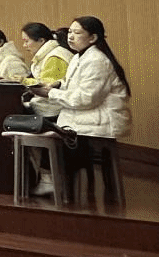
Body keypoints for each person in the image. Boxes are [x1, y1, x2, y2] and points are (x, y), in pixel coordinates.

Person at [29, 16, 131, 198]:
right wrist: (57, 85)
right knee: (52, 130)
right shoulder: (79, 57)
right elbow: (75, 85)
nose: (70, 36)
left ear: (93, 38)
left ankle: (53, 183)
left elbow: (86, 98)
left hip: (100, 121)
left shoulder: (97, 60)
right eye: (69, 32)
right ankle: (53, 182)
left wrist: (50, 93)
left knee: (56, 137)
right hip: (87, 116)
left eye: (77, 33)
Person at [21, 22, 73, 87]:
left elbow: (47, 86)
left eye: (26, 41)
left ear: (41, 40)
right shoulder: (46, 55)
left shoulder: (55, 57)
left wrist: (23, 81)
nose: (24, 45)